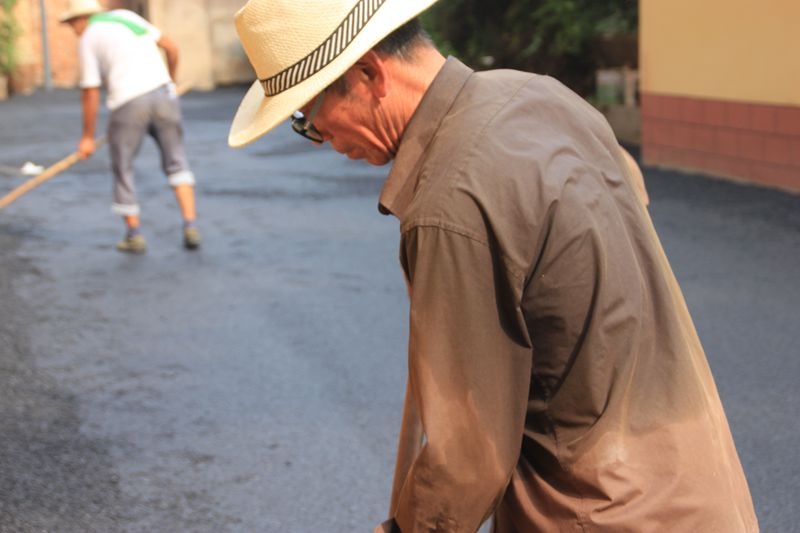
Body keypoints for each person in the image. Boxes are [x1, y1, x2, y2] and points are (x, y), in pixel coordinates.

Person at [228, 1, 758, 532]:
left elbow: (468, 459)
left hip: (596, 513)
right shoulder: (540, 95)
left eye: (306, 115)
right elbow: (628, 199)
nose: (320, 139)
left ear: (368, 74)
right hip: (698, 484)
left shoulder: (450, 201)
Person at [61, 0, 201, 253]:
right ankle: (190, 225)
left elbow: (90, 91)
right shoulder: (128, 17)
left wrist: (87, 137)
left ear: (81, 19)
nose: (73, 30)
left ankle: (134, 235)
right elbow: (171, 47)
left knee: (123, 166)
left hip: (128, 103)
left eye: (72, 24)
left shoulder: (89, 38)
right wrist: (171, 81)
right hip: (163, 95)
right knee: (177, 161)